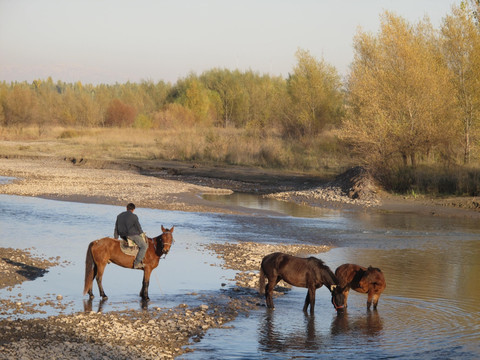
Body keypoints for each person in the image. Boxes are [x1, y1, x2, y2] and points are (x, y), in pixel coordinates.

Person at [114, 203, 147, 269]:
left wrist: (116, 238)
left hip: (122, 236)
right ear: (133, 210)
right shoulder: (134, 216)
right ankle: (136, 263)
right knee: (144, 246)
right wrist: (143, 235)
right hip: (132, 235)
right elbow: (138, 227)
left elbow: (116, 228)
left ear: (126, 208)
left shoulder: (119, 215)